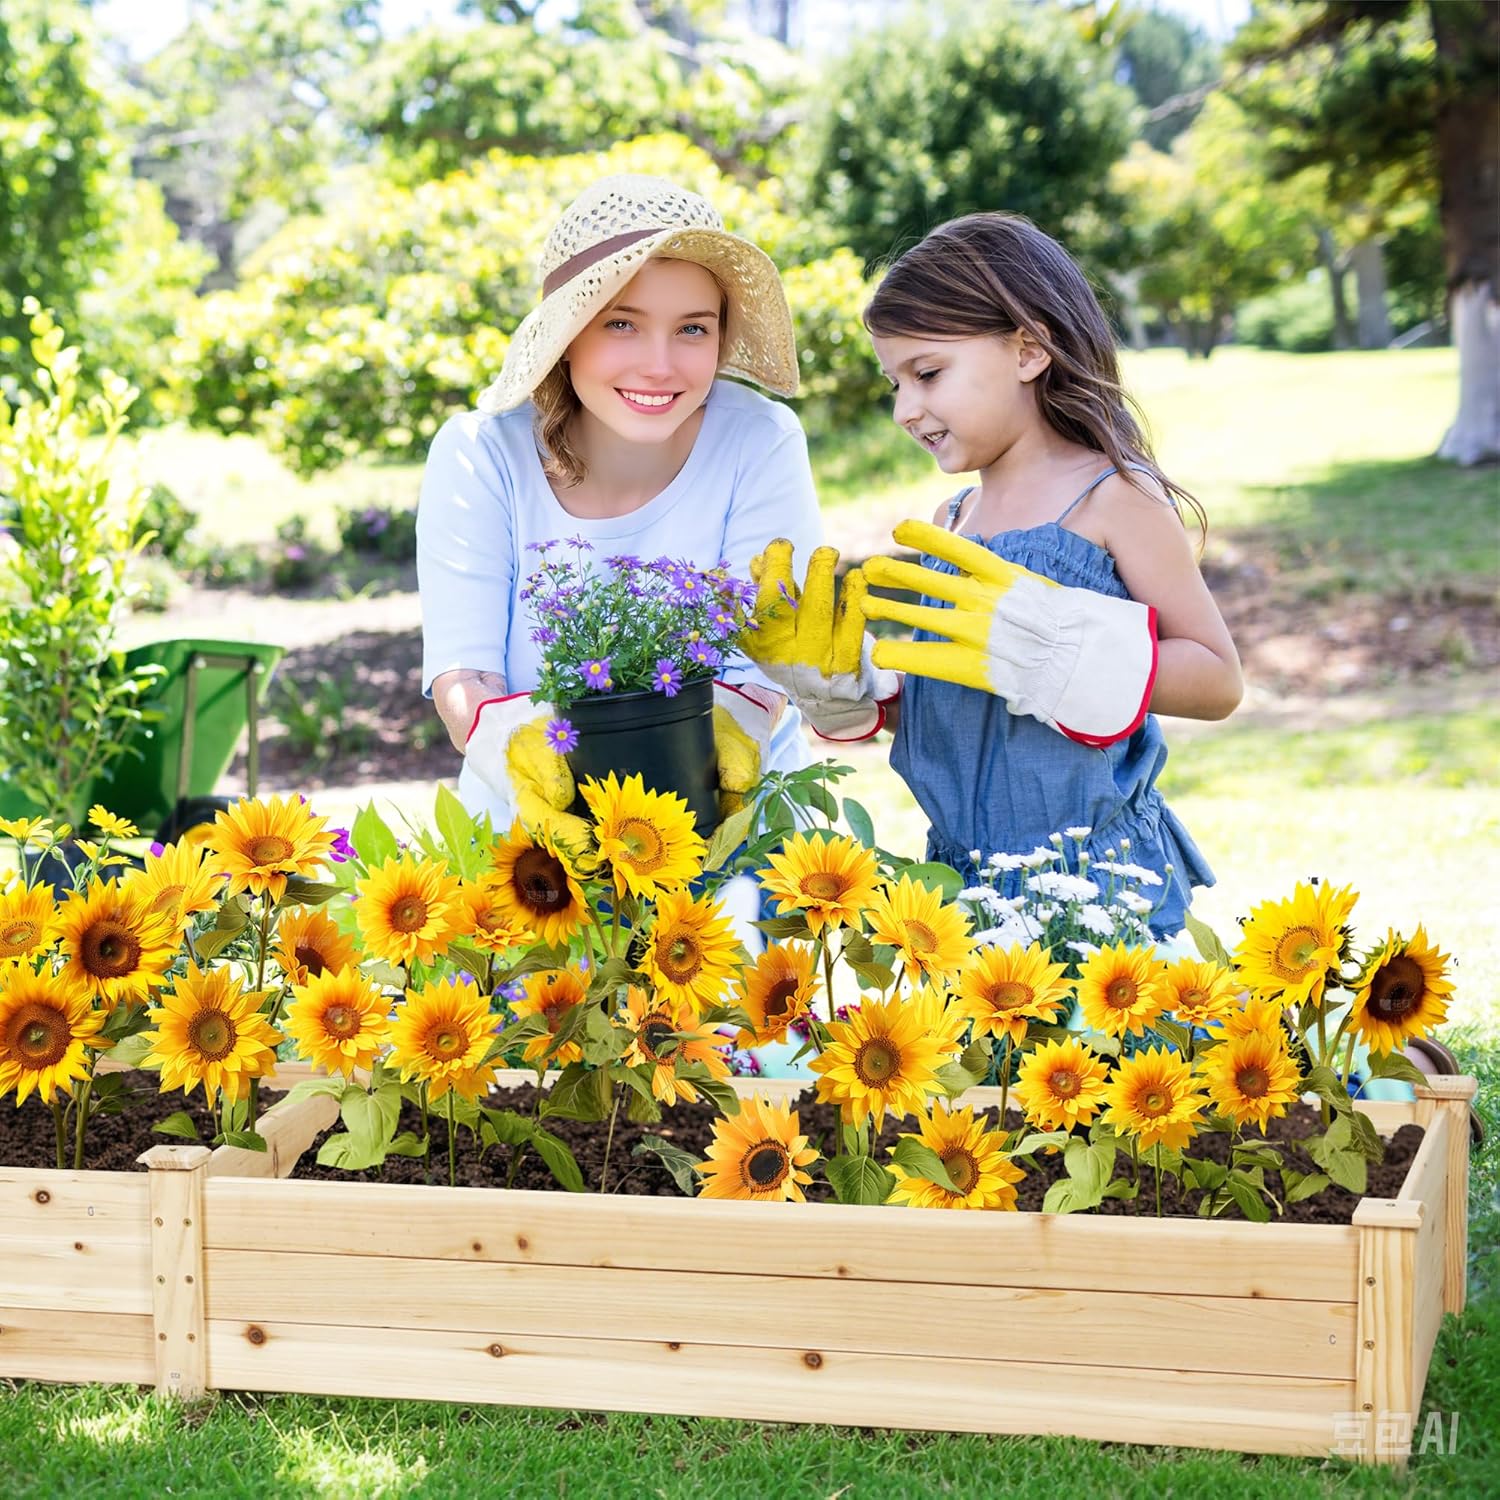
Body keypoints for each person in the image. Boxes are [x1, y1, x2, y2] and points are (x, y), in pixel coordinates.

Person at [746, 213, 1243, 937]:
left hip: (1098, 886)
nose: (904, 409)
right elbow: (963, 697)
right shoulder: (957, 516)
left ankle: (1404, 1056)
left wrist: (1073, 657)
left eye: (927, 374)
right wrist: (856, 695)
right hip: (960, 889)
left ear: (1029, 349)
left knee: (1142, 1055)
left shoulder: (1111, 496)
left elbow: (1218, 678)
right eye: (895, 383)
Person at [416, 174, 822, 829]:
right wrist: (542, 784)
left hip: (733, 819)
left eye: (692, 328)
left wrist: (684, 804)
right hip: (530, 835)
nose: (659, 365)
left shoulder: (759, 439)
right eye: (622, 324)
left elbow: (763, 665)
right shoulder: (480, 454)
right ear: (566, 334)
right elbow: (465, 678)